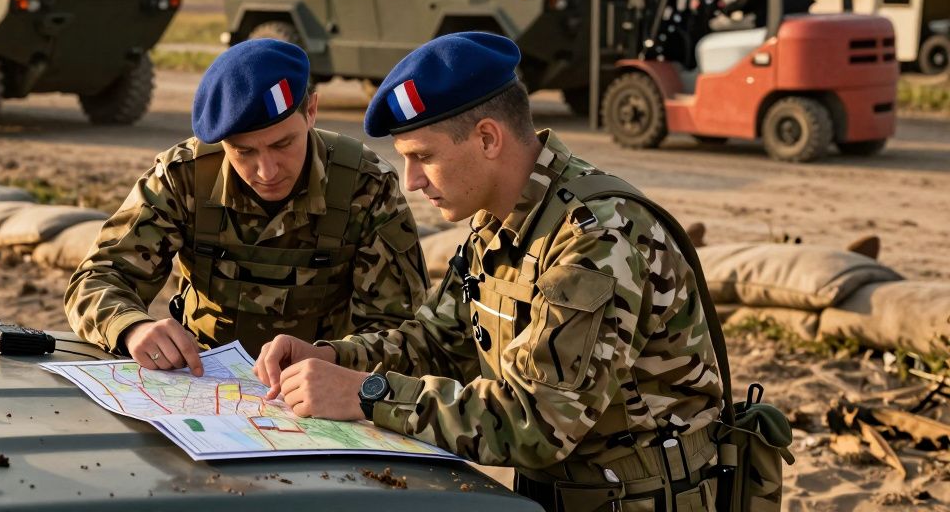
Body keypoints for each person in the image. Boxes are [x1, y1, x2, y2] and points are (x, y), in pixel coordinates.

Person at [255, 32, 731, 510]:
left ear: (487, 138)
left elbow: (538, 423)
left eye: (423, 156)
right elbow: (439, 344)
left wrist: (368, 393)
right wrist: (333, 358)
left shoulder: (598, 237)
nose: (411, 180)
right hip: (568, 491)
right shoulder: (499, 220)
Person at [65, 39, 428, 375]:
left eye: (283, 144)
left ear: (312, 111)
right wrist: (132, 326)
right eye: (244, 152)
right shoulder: (185, 176)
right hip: (202, 379)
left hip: (325, 381)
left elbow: (400, 330)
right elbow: (96, 278)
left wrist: (332, 361)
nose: (266, 171)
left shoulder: (364, 186)